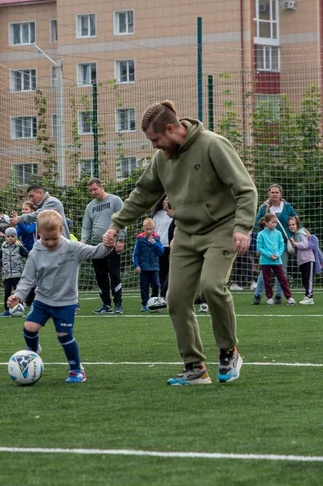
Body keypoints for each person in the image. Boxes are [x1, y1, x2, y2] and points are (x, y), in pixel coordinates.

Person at [104, 100, 258, 386]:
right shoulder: (162, 160)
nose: (154, 147)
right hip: (185, 234)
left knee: (212, 286)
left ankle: (229, 351)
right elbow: (142, 194)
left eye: (156, 139)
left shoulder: (213, 145)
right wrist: (116, 224)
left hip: (222, 229)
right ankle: (195, 368)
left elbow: (246, 189)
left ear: (172, 129)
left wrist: (242, 227)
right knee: (175, 300)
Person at [7, 210, 111, 384]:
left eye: (54, 238)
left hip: (66, 302)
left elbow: (96, 252)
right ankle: (33, 353)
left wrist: (108, 245)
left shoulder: (72, 247)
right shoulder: (35, 252)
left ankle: (77, 370)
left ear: (61, 230)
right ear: (39, 234)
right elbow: (27, 279)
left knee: (64, 335)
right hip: (42, 300)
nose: (50, 243)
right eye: (45, 239)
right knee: (29, 328)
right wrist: (18, 295)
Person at [81, 178, 125, 314]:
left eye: (95, 189)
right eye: (90, 191)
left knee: (114, 274)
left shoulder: (115, 200)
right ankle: (106, 304)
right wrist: (83, 241)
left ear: (101, 186)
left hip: (112, 244)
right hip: (96, 246)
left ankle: (118, 304)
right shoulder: (90, 206)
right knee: (100, 276)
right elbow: (86, 226)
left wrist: (121, 239)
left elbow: (123, 220)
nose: (93, 192)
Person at [251, 185, 297, 304]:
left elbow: (295, 220)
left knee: (282, 270)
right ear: (269, 193)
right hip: (266, 247)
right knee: (264, 272)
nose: (275, 194)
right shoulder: (264, 208)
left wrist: (301, 232)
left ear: (280, 194)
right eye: (272, 192)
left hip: (282, 244)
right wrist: (258, 244)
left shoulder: (287, 207)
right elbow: (257, 223)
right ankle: (258, 295)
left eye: (277, 192)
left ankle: (278, 295)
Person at [257, 213, 295, 307]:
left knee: (283, 279)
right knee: (267, 280)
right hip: (265, 261)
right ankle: (269, 298)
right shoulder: (261, 234)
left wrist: (278, 255)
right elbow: (259, 248)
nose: (275, 224)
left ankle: (289, 297)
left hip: (277, 261)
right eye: (272, 222)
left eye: (276, 222)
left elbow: (282, 245)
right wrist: (269, 255)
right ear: (266, 223)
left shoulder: (278, 233)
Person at [132, 217, 165, 311]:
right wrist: (137, 265)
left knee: (156, 285)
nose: (149, 231)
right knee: (144, 288)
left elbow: (161, 251)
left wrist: (154, 243)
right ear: (143, 229)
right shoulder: (140, 240)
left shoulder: (157, 239)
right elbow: (135, 254)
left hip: (154, 268)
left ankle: (154, 301)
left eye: (151, 229)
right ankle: (144, 304)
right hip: (144, 268)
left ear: (153, 229)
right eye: (147, 229)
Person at [0, 227, 29, 315]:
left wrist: (24, 265)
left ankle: (19, 307)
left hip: (17, 274)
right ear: (5, 237)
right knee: (7, 293)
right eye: (8, 236)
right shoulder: (3, 248)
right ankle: (7, 310)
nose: (10, 238)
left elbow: (28, 255)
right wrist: (2, 265)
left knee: (18, 292)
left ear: (16, 237)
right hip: (7, 275)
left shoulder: (19, 247)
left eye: (12, 236)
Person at [287, 216, 316, 305]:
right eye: (289, 225)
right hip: (302, 260)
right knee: (304, 279)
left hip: (308, 259)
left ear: (297, 225)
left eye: (293, 224)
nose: (291, 226)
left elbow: (305, 245)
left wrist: (294, 243)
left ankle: (309, 297)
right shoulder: (296, 235)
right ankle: (307, 295)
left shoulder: (300, 233)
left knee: (308, 279)